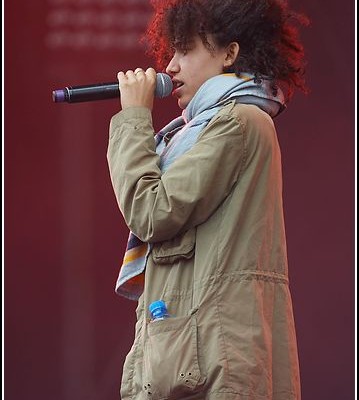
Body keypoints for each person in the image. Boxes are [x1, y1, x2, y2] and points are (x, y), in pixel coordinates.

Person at [107, 0, 308, 399]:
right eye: (172, 52)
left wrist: (132, 118)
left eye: (186, 50)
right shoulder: (201, 130)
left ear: (229, 53)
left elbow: (152, 211)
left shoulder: (237, 122)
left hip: (215, 361)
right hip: (193, 354)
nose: (171, 67)